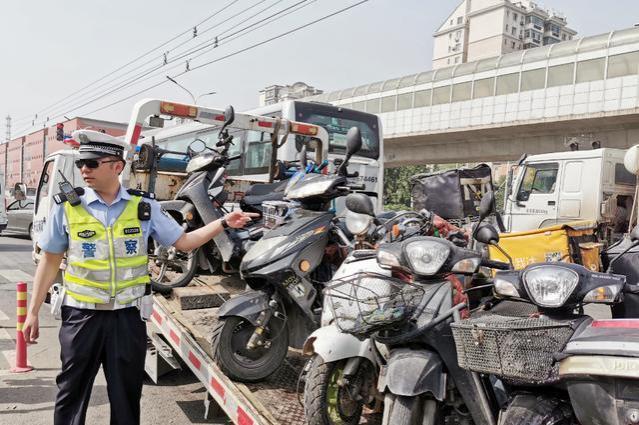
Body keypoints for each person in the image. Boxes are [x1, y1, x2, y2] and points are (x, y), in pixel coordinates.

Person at [22, 130, 258, 425]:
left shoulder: (143, 207)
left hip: (127, 319)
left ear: (116, 166)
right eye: (82, 163)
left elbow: (183, 243)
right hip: (81, 318)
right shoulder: (67, 206)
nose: (84, 169)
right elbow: (50, 259)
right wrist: (32, 313)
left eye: (93, 163)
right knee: (71, 394)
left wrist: (222, 222)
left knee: (126, 395)